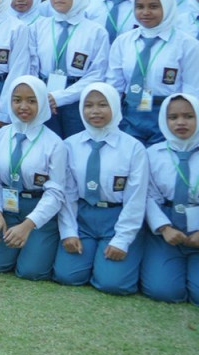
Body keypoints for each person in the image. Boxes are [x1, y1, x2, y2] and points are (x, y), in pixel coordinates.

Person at [52, 83, 148, 295]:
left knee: (112, 284)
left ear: (115, 105)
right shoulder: (69, 145)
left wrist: (122, 240)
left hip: (116, 217)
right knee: (67, 276)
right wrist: (68, 232)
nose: (95, 111)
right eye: (88, 105)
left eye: (103, 105)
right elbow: (67, 194)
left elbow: (136, 198)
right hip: (83, 217)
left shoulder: (133, 148)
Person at [0, 76, 68, 281]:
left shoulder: (55, 144)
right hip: (7, 208)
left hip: (38, 212)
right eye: (17, 100)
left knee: (31, 272)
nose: (23, 106)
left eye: (31, 100)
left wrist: (29, 224)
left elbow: (55, 192)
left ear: (43, 102)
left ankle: (40, 240)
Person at [107, 0, 199, 145]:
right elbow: (115, 84)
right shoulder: (123, 42)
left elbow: (191, 89)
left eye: (154, 6)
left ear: (167, 5)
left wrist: (181, 119)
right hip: (130, 113)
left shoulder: (187, 45)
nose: (145, 12)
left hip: (169, 114)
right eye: (139, 6)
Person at [33, 0, 108, 137]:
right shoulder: (39, 27)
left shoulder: (96, 31)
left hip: (79, 100)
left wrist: (60, 97)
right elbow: (31, 65)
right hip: (42, 97)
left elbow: (97, 73)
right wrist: (40, 94)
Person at [140, 93, 199, 305]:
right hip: (167, 228)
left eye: (189, 116)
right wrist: (164, 228)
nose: (180, 122)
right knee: (162, 291)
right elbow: (147, 195)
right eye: (173, 117)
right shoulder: (153, 154)